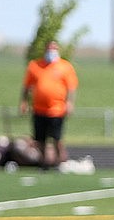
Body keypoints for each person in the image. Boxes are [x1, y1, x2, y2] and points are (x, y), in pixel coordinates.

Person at [20, 40, 78, 169]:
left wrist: (69, 103)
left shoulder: (65, 66)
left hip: (57, 109)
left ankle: (60, 162)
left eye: (54, 48)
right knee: (40, 140)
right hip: (39, 109)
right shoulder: (35, 66)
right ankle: (44, 163)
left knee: (57, 138)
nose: (52, 50)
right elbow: (26, 86)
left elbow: (71, 87)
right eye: (50, 48)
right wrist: (24, 102)